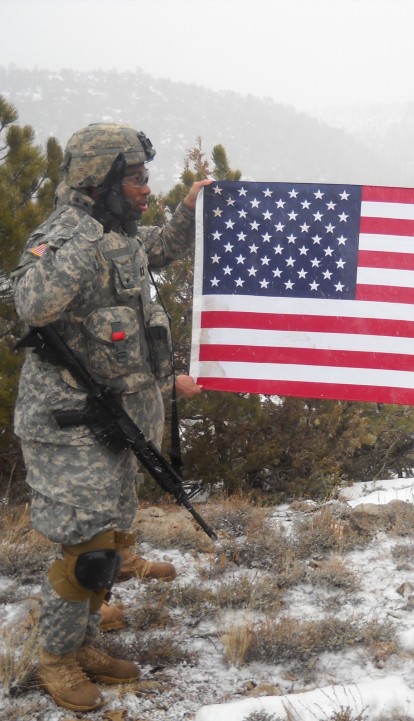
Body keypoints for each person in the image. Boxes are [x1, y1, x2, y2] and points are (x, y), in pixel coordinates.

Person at [11, 122, 210, 712]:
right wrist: (88, 243)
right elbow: (30, 302)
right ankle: (56, 659)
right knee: (87, 550)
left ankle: (86, 641)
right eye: (136, 178)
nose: (147, 188)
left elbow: (157, 249)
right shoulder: (66, 236)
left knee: (113, 539)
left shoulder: (115, 232)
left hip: (110, 424)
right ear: (100, 182)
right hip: (66, 426)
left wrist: (190, 213)